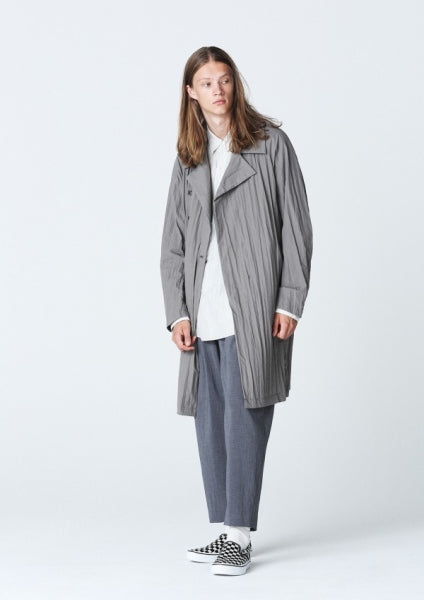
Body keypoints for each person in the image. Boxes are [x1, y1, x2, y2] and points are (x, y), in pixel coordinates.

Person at [160, 46, 313, 576]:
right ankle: (226, 528)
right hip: (202, 311)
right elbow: (173, 243)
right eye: (206, 82)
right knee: (211, 422)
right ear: (191, 92)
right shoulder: (189, 156)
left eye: (224, 79)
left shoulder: (270, 145)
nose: (217, 90)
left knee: (246, 415)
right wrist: (178, 312)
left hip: (253, 307)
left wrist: (289, 298)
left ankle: (239, 536)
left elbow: (296, 227)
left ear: (234, 84)